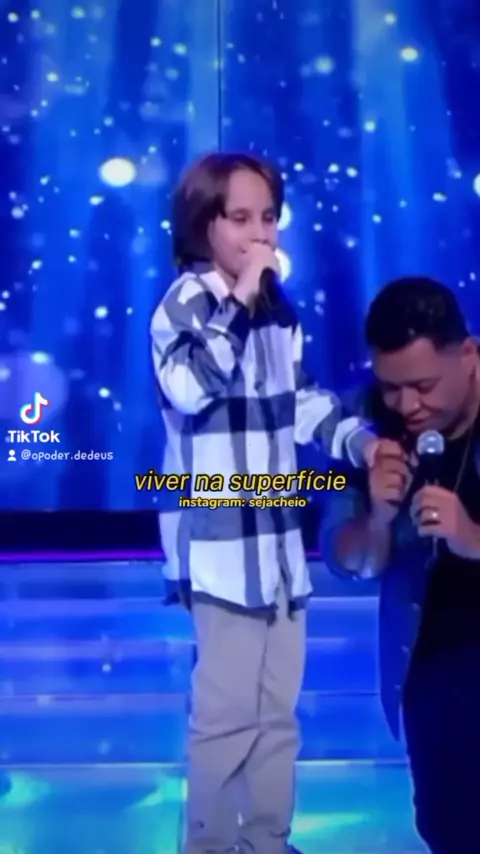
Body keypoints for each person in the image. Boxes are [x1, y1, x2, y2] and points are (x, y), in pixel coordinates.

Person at [150, 151, 377, 854]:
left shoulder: (279, 310)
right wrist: (240, 301)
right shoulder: (185, 305)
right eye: (241, 219)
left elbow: (300, 401)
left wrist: (360, 442)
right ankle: (211, 846)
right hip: (219, 547)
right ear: (203, 225)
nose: (260, 234)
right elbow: (191, 388)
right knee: (224, 719)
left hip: (278, 544)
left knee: (278, 714)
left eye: (269, 218)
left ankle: (267, 840)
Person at [320, 276, 480, 854]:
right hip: (432, 657)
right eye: (392, 388)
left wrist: (472, 537)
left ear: (469, 354)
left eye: (423, 386)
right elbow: (348, 560)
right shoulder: (362, 425)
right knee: (449, 825)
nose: (408, 406)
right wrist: (379, 520)